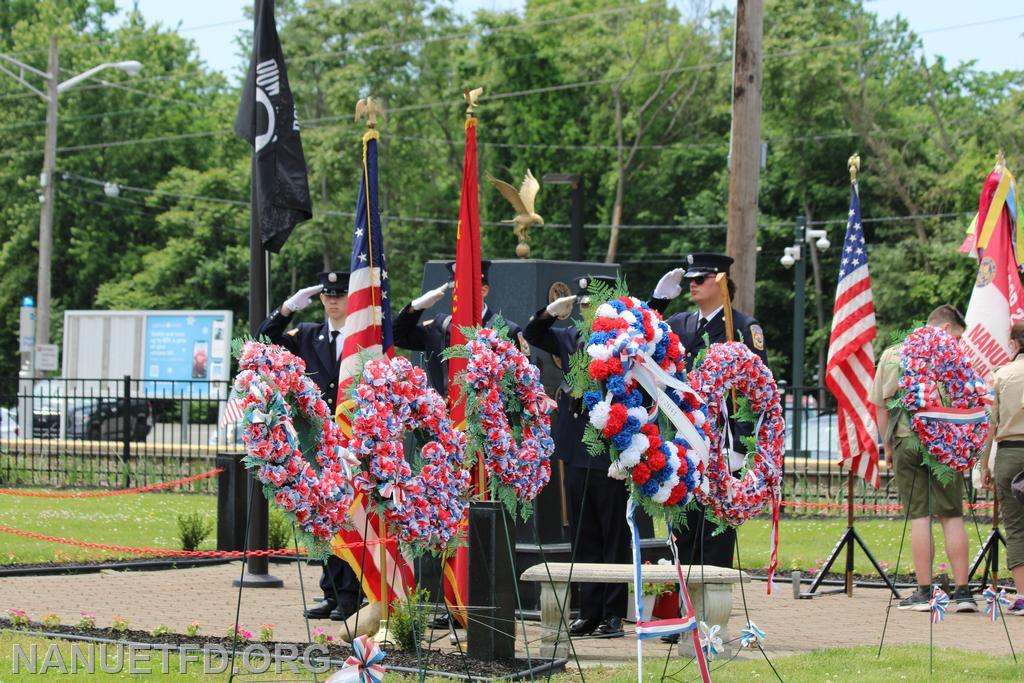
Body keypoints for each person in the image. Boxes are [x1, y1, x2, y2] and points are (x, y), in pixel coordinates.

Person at [647, 252, 767, 644]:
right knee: (682, 531)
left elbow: (755, 391)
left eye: (700, 279)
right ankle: (681, 613)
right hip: (684, 444)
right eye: (690, 279)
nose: (693, 285)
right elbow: (643, 339)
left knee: (715, 535)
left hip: (721, 446)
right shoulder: (679, 323)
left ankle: (708, 619)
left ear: (720, 281)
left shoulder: (743, 327)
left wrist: (741, 447)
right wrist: (658, 302)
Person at [524, 274, 629, 638]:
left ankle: (614, 612)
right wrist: (550, 314)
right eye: (582, 305)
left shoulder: (624, 342)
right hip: (578, 449)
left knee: (614, 533)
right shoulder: (572, 338)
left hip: (612, 449)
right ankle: (589, 609)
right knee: (583, 535)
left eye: (592, 304)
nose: (586, 311)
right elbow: (534, 335)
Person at [256, 271, 363, 621]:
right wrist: (287, 308)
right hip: (318, 439)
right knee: (323, 516)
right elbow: (264, 340)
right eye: (328, 296)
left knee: (349, 515)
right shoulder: (307, 335)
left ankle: (352, 595)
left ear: (352, 297)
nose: (334, 301)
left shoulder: (362, 336)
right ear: (320, 300)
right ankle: (331, 593)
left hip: (352, 439)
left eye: (340, 295)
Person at [871, 304, 977, 612]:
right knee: (952, 515)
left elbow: (880, 405)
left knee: (919, 516)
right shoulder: (953, 356)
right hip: (944, 442)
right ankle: (962, 592)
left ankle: (924, 590)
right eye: (956, 337)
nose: (957, 343)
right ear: (944, 330)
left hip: (907, 439)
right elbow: (968, 402)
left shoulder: (893, 354)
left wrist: (888, 446)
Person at [393, 260, 526, 396]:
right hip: (446, 413)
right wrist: (414, 308)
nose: (458, 294)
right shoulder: (439, 327)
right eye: (455, 289)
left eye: (464, 288)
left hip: (492, 413)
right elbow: (396, 337)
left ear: (484, 291)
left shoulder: (508, 330)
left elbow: (523, 382)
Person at [980, 321, 1024, 615]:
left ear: (1015, 344)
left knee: (1017, 528)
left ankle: (1023, 595)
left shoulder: (1000, 376)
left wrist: (984, 464)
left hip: (1009, 454)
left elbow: (989, 426)